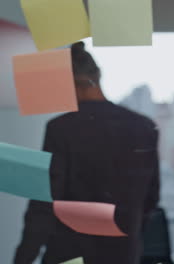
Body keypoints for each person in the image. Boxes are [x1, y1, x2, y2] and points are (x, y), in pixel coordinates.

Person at [14, 41, 160, 264]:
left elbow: (43, 205)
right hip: (123, 254)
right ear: (98, 76)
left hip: (69, 254)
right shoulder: (144, 127)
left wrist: (23, 258)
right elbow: (151, 198)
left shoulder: (60, 129)